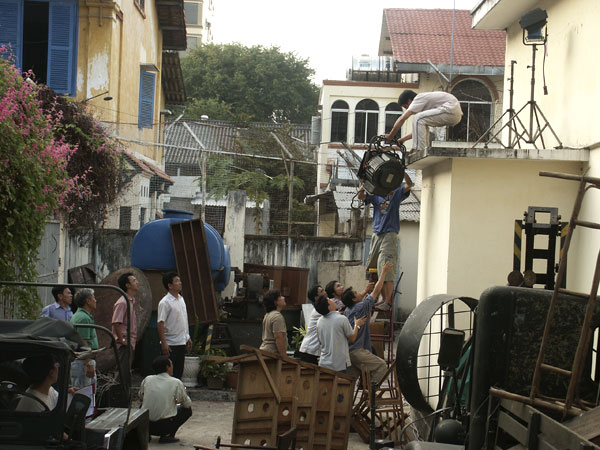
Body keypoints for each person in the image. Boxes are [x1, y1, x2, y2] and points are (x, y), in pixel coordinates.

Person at [358, 172, 413, 311]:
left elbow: (409, 185)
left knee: (386, 267)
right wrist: (362, 186)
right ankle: (381, 299)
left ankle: (387, 302)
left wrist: (403, 172)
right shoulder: (376, 194)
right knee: (375, 267)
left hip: (389, 233)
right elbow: (361, 197)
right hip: (377, 234)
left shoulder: (396, 192)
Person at [343, 262, 394, 384]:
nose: (359, 293)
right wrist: (384, 272)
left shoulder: (348, 309)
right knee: (381, 366)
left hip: (349, 352)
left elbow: (367, 294)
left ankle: (349, 401)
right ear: (354, 299)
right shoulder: (360, 307)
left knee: (350, 381)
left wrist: (366, 290)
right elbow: (376, 291)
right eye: (356, 293)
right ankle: (371, 395)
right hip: (357, 351)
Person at [385, 89, 463, 153]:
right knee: (421, 121)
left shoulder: (418, 98)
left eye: (406, 106)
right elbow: (419, 131)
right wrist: (403, 140)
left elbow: (402, 118)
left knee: (418, 118)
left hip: (451, 109)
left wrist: (391, 136)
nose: (407, 109)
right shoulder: (423, 105)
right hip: (454, 114)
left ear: (409, 100)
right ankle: (424, 149)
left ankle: (419, 150)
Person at [140, 355, 192, 444]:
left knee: (143, 405)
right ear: (167, 367)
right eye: (171, 365)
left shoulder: (147, 379)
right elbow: (187, 404)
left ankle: (146, 434)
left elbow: (141, 397)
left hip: (146, 424)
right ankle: (168, 435)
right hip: (164, 426)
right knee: (187, 411)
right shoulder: (176, 382)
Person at [315, 295, 366, 374]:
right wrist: (357, 325)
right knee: (341, 385)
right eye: (329, 300)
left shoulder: (319, 321)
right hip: (339, 364)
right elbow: (352, 338)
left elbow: (320, 342)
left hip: (324, 363)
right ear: (329, 307)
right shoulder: (341, 319)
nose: (333, 300)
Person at [157, 272, 192, 380]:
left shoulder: (181, 299)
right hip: (170, 344)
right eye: (176, 281)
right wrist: (164, 343)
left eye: (179, 280)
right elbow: (160, 323)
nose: (180, 283)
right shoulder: (165, 302)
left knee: (178, 373)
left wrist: (187, 336)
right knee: (168, 375)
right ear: (170, 285)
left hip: (181, 342)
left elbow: (183, 320)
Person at [112, 272, 139, 387]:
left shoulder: (130, 301)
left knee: (126, 371)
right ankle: (118, 396)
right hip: (124, 343)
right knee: (121, 373)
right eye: (134, 281)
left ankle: (124, 397)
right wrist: (122, 340)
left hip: (130, 341)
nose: (137, 282)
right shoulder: (122, 302)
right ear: (127, 285)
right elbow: (116, 322)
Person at [70, 288, 98, 388]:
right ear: (88, 301)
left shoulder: (81, 315)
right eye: (93, 297)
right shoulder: (83, 318)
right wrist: (88, 363)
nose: (96, 300)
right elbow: (83, 342)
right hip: (83, 362)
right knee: (84, 393)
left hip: (82, 361)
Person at [296, 285, 325, 365]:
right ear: (316, 297)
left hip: (312, 350)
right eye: (322, 291)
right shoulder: (318, 310)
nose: (325, 293)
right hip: (309, 350)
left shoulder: (320, 309)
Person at [259, 290, 287, 356]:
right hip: (272, 354)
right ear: (275, 302)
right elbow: (278, 337)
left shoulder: (268, 314)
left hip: (265, 351)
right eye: (280, 296)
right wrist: (284, 356)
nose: (283, 298)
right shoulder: (277, 316)